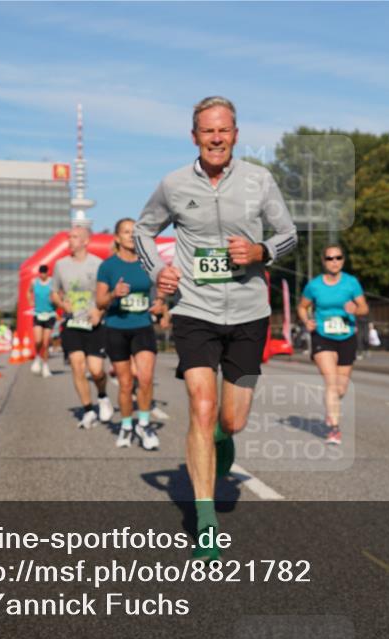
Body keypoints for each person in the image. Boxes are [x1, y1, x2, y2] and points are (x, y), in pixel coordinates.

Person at [134, 96, 297, 560]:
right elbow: (145, 231)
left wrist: (260, 253)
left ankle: (223, 441)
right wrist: (157, 272)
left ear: (236, 134)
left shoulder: (259, 180)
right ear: (195, 136)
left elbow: (288, 234)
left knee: (232, 419)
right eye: (208, 131)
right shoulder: (173, 184)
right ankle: (204, 518)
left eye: (224, 130)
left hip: (249, 313)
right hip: (195, 310)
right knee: (201, 406)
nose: (217, 138)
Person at [96, 218, 161, 450]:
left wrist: (160, 302)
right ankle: (125, 425)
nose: (131, 236)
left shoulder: (148, 263)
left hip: (142, 326)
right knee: (125, 384)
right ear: (117, 238)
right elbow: (100, 301)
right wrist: (114, 293)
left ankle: (143, 424)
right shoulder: (108, 266)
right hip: (116, 328)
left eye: (134, 232)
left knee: (144, 378)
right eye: (126, 232)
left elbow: (161, 287)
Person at [297, 245, 369, 445]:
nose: (334, 261)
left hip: (346, 336)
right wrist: (306, 321)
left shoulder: (351, 283)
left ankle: (331, 409)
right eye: (330, 258)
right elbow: (302, 307)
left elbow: (364, 308)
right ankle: (334, 429)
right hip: (322, 336)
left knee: (341, 387)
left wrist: (355, 308)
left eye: (338, 257)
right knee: (330, 381)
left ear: (343, 260)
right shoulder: (314, 285)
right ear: (324, 261)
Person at [52, 224, 112, 429]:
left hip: (94, 324)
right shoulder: (60, 265)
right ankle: (88, 410)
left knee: (96, 371)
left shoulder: (98, 265)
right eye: (69, 236)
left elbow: (107, 295)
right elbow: (54, 292)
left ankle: (102, 396)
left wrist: (99, 311)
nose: (70, 240)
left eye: (75, 237)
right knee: (77, 366)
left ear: (86, 241)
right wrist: (61, 303)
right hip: (72, 323)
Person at [28, 264, 56, 378]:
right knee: (38, 341)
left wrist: (55, 301)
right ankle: (38, 357)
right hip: (38, 314)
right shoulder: (34, 282)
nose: (42, 274)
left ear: (47, 272)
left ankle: (45, 366)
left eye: (44, 272)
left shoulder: (53, 282)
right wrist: (30, 301)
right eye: (41, 272)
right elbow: (28, 292)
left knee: (46, 342)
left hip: (49, 314)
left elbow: (59, 294)